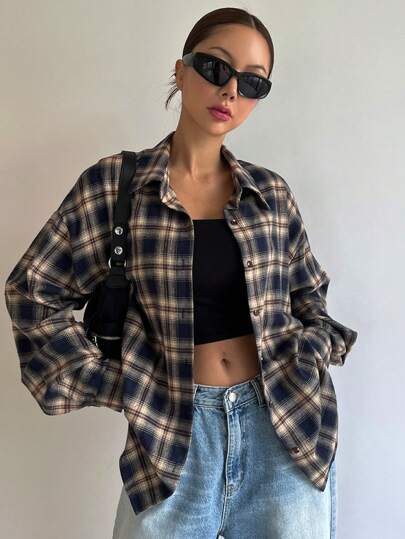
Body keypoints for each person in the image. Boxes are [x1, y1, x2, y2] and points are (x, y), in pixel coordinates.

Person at [4, 7, 358, 539]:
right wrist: (124, 382)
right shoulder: (116, 186)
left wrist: (310, 351)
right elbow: (32, 292)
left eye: (253, 82)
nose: (231, 90)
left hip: (285, 429)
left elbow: (309, 297)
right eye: (216, 67)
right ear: (181, 70)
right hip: (170, 438)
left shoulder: (270, 195)